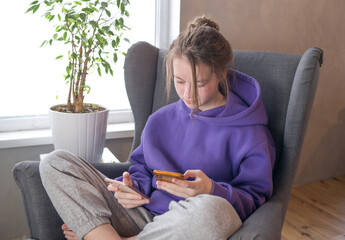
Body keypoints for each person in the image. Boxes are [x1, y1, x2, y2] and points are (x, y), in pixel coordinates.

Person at [40, 16, 276, 240]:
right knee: (55, 162)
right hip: (142, 214)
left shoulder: (251, 132)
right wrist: (132, 186)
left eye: (200, 84)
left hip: (189, 226)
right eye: (179, 81)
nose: (187, 94)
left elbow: (255, 197)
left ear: (222, 74)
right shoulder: (160, 120)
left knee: (214, 209)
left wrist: (212, 190)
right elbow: (141, 168)